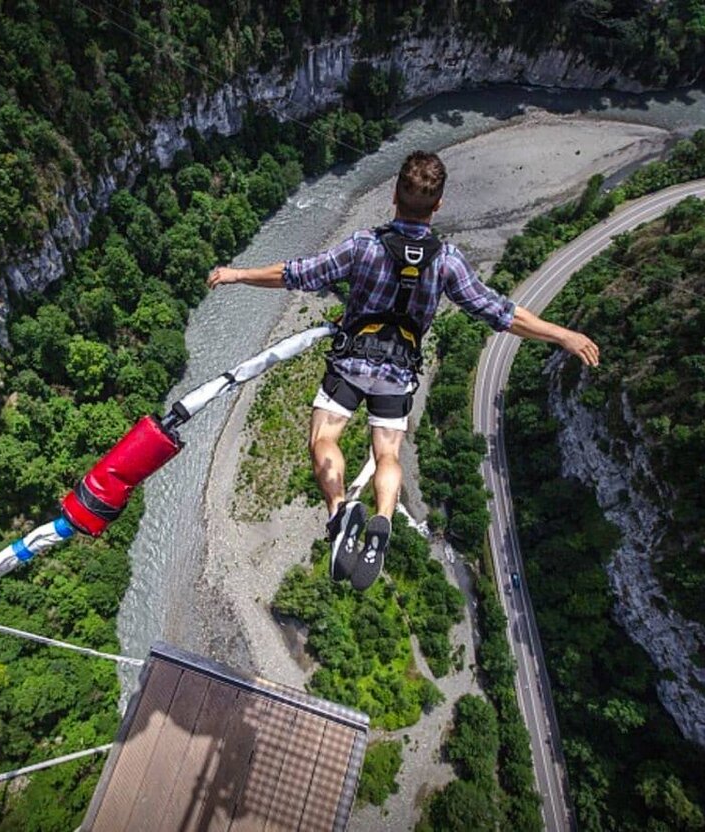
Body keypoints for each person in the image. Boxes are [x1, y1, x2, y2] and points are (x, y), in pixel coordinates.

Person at [207, 150, 599, 590]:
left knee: (324, 438)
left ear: (394, 195)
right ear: (439, 205)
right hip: (398, 371)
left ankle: (339, 511)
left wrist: (238, 274)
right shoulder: (448, 261)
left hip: (351, 362)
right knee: (387, 455)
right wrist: (562, 334)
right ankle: (383, 518)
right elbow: (502, 313)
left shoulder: (364, 247)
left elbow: (295, 274)